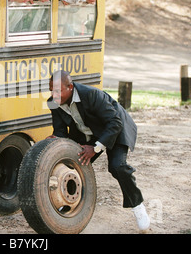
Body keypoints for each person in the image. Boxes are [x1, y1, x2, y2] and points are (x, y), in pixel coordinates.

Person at [47, 70, 150, 231]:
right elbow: (61, 131)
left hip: (114, 129)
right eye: (51, 90)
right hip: (87, 133)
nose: (54, 94)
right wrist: (55, 140)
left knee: (117, 166)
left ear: (70, 87)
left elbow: (115, 122)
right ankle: (70, 208)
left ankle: (137, 205)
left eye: (58, 91)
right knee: (72, 165)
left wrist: (96, 148)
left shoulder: (92, 95)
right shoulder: (52, 102)